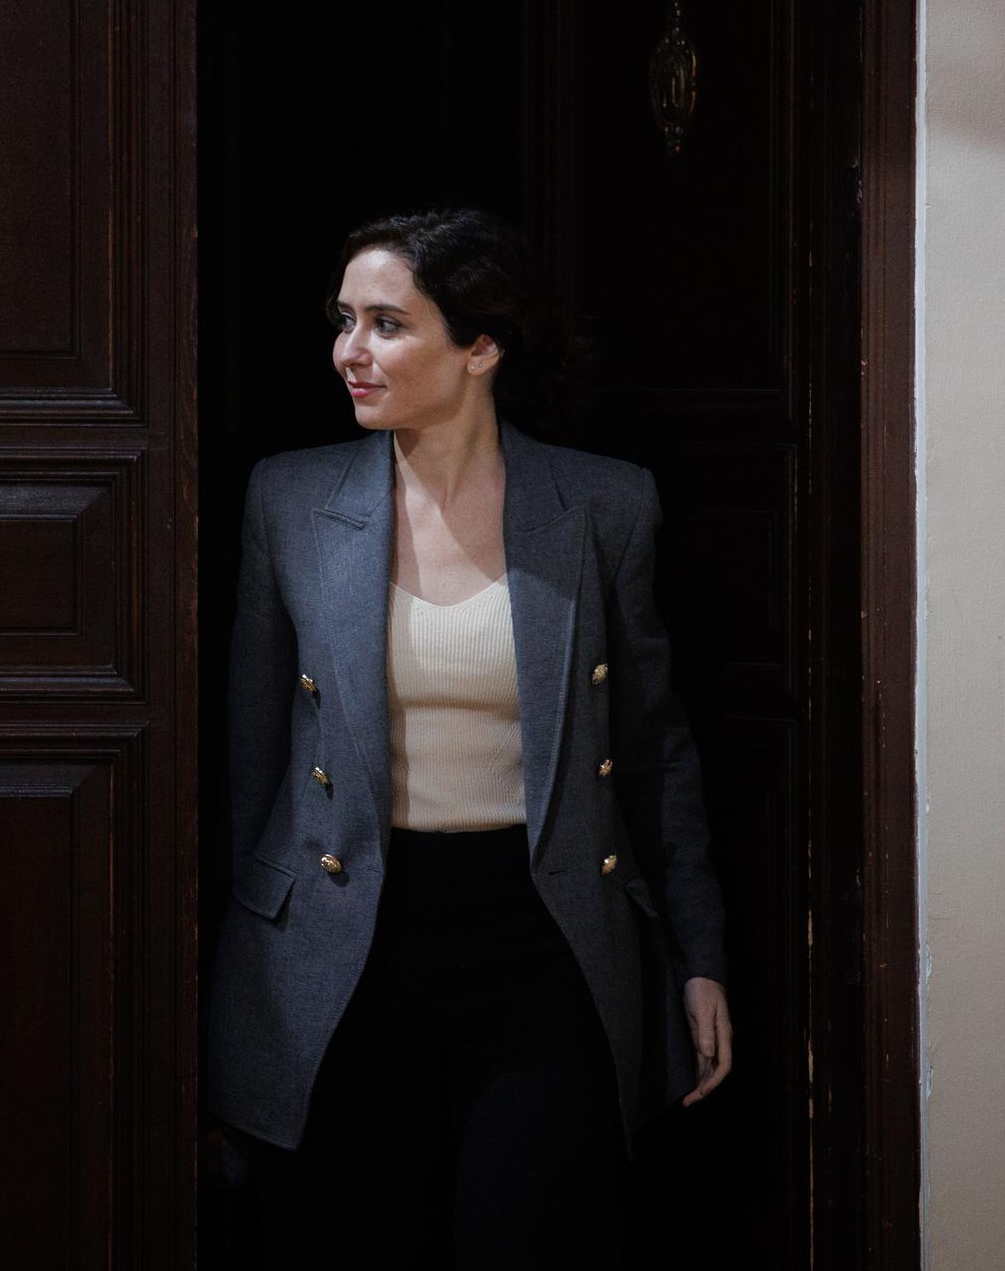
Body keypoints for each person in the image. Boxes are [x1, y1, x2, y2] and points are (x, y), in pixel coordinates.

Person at [201, 208, 731, 1268]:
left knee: (530, 1232)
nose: (351, 351)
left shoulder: (601, 505)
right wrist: (236, 956)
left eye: (387, 324)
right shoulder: (289, 499)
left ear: (479, 346)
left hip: (539, 935)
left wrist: (697, 953)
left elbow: (653, 745)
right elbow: (252, 756)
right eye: (342, 320)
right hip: (343, 939)